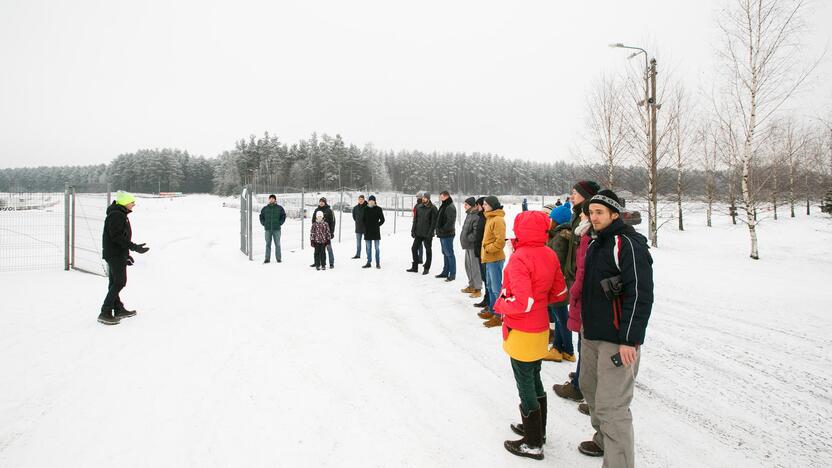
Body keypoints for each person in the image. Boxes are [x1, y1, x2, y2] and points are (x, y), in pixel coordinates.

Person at [577, 190, 654, 464]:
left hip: (617, 340)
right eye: (591, 212)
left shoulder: (627, 244)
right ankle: (602, 441)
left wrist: (629, 339)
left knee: (612, 406)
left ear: (614, 214)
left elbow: (641, 293)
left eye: (600, 212)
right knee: (590, 390)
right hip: (591, 335)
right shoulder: (597, 242)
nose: (594, 217)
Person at [497, 211, 568, 460]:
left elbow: (521, 300)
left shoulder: (519, 258)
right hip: (539, 329)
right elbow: (560, 293)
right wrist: (541, 302)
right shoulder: (549, 253)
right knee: (534, 376)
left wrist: (500, 304)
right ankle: (538, 431)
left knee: (524, 382)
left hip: (522, 330)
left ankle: (533, 443)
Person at [546, 181, 600, 363]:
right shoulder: (577, 217)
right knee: (566, 316)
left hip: (575, 275)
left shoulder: (586, 218)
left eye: (575, 193)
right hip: (572, 273)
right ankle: (561, 349)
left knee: (567, 317)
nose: (571, 196)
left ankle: (567, 353)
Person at [99, 191, 149, 325]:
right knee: (119, 282)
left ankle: (118, 309)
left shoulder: (120, 214)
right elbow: (117, 237)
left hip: (116, 253)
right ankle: (105, 312)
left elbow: (121, 237)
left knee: (114, 283)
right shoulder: (117, 215)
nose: (134, 205)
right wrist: (134, 247)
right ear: (125, 202)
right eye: (132, 202)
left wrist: (126, 254)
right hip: (114, 254)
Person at [479, 196, 506, 328]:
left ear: (492, 205)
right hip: (488, 258)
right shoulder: (490, 218)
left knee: (496, 289)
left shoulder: (498, 219)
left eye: (485, 204)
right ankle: (492, 309)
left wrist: (487, 249)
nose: (483, 206)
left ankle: (498, 315)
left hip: (495, 258)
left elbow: (499, 242)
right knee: (489, 286)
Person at [407, 193, 437, 274]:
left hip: (427, 234)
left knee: (428, 251)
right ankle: (415, 266)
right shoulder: (419, 207)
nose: (423, 199)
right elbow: (415, 220)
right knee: (414, 249)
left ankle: (427, 268)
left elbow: (433, 223)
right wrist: (413, 230)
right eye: (423, 197)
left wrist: (430, 233)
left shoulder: (433, 208)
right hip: (419, 233)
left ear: (428, 198)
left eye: (425, 198)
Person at [459, 197, 482, 298]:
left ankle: (478, 288)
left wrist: (468, 238)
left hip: (472, 246)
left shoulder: (476, 215)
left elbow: (476, 232)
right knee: (468, 266)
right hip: (467, 246)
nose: (464, 206)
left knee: (475, 267)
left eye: (466, 204)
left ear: (472, 205)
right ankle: (471, 285)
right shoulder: (469, 214)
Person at [435, 191, 457, 281]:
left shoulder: (450, 206)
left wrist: (443, 230)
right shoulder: (444, 205)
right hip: (443, 234)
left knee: (449, 254)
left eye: (441, 196)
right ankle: (445, 272)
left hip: (447, 234)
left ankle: (452, 274)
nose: (440, 198)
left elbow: (450, 222)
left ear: (446, 196)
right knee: (445, 253)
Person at [473, 197, 490, 313]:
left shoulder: (486, 218)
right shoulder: (481, 217)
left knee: (488, 279)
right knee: (484, 278)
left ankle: (489, 301)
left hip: (485, 252)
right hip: (480, 251)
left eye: (479, 205)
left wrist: (485, 248)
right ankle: (487, 299)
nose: (479, 207)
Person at [260, 194, 286, 263]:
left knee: (277, 244)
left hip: (276, 229)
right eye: (270, 198)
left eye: (273, 198)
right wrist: (263, 223)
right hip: (268, 229)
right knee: (268, 244)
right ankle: (267, 258)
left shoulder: (279, 208)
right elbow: (261, 216)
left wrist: (280, 223)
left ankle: (278, 258)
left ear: (275, 200)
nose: (271, 200)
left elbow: (283, 216)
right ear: (269, 200)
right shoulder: (265, 208)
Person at [311, 197, 335, 269]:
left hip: (326, 234)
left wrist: (331, 232)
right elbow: (313, 221)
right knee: (317, 250)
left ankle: (331, 263)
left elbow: (333, 222)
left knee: (328, 248)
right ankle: (317, 262)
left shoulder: (329, 210)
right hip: (318, 235)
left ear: (325, 202)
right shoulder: (316, 210)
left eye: (323, 202)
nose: (321, 203)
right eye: (320, 201)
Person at [362, 195, 385, 269]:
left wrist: (377, 225)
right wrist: (366, 226)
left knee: (377, 248)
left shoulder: (379, 209)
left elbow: (382, 220)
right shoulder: (365, 209)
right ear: (368, 201)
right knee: (368, 248)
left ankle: (378, 263)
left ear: (375, 201)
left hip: (376, 232)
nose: (371, 202)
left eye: (373, 200)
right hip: (368, 231)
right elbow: (363, 219)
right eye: (370, 200)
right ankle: (369, 262)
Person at [351, 194, 367, 259]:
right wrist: (358, 221)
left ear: (364, 200)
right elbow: (354, 217)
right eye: (359, 199)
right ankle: (358, 255)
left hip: (366, 228)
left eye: (362, 199)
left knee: (367, 243)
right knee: (358, 243)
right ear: (358, 200)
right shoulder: (355, 208)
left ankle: (368, 255)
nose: (360, 201)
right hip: (358, 228)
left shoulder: (367, 207)